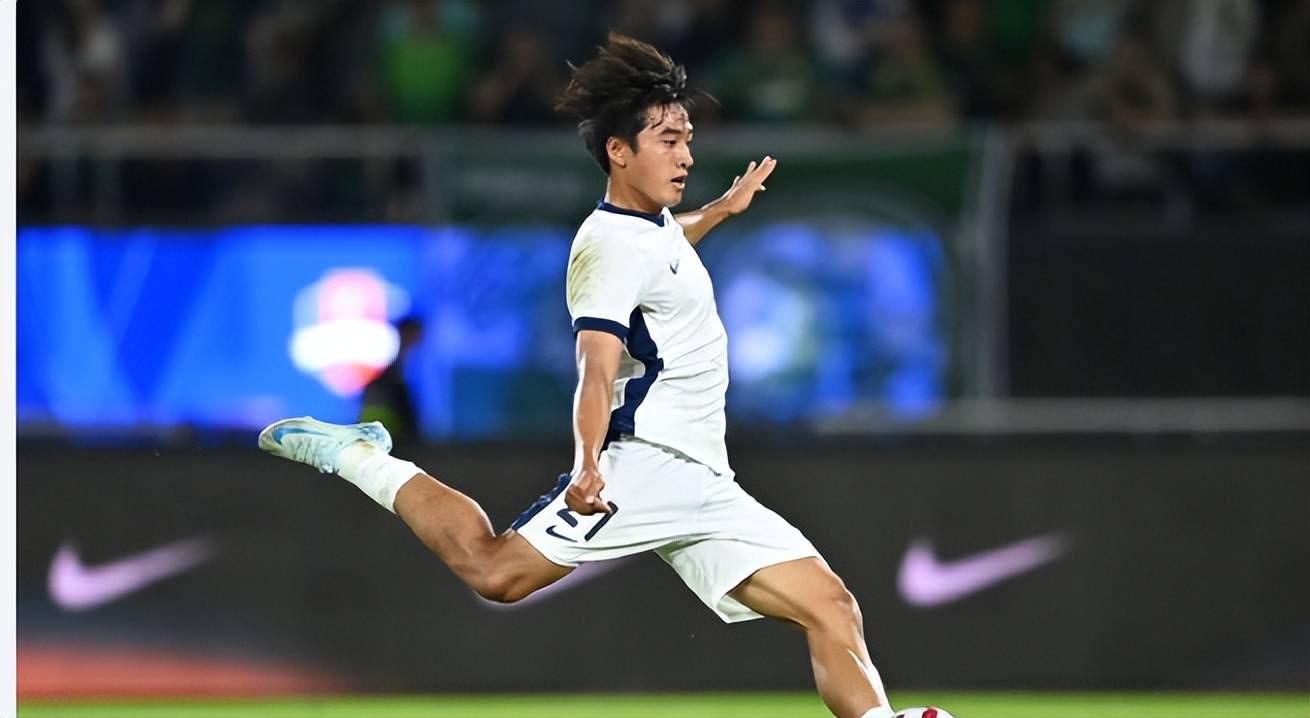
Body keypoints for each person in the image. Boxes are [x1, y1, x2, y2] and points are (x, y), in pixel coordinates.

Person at [260, 33, 902, 718]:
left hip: (705, 476)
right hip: (647, 462)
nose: (686, 156)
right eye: (667, 140)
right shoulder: (606, 249)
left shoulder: (651, 227)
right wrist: (588, 463)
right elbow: (596, 370)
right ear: (618, 151)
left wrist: (718, 211)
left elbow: (662, 250)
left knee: (831, 606)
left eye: (687, 140)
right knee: (495, 571)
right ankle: (360, 457)